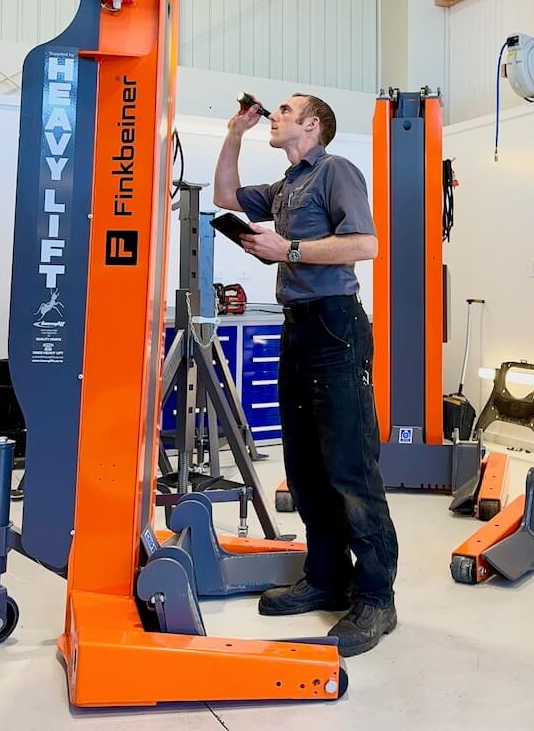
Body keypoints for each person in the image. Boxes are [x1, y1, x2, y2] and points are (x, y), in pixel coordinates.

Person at [213, 93, 399, 657]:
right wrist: (234, 132)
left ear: (313, 125)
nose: (275, 116)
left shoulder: (335, 171)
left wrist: (287, 246)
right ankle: (326, 577)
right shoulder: (287, 184)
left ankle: (375, 597)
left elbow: (366, 244)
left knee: (348, 464)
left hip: (335, 326)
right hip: (296, 327)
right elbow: (225, 196)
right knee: (305, 464)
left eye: (284, 112)